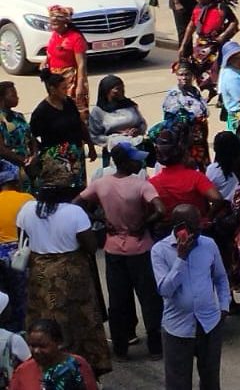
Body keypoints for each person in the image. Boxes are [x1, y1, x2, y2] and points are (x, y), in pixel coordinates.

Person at [74, 143, 162, 361]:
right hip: (141, 248)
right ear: (126, 162)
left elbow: (77, 203)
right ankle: (155, 347)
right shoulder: (141, 185)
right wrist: (145, 223)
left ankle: (121, 348)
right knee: (149, 299)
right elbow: (161, 209)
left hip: (114, 248)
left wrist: (99, 220)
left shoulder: (101, 184)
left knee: (118, 300)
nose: (139, 162)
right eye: (135, 159)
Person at [15, 187, 111, 377]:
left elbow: (23, 237)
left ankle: (43, 368)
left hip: (39, 272)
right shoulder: (74, 212)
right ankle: (81, 368)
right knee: (79, 319)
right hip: (71, 274)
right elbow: (91, 246)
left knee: (41, 315)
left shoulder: (27, 209)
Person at [152, 205, 229, 390]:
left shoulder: (208, 244)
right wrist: (181, 259)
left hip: (209, 323)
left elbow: (220, 277)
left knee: (211, 379)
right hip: (177, 327)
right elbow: (165, 290)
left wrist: (224, 306)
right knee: (178, 381)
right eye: (194, 228)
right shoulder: (159, 250)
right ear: (180, 228)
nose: (199, 231)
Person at [30, 74, 89, 192]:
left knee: (80, 188)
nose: (66, 91)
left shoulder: (69, 103)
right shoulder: (41, 112)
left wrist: (90, 145)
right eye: (63, 88)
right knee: (64, 189)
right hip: (57, 159)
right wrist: (42, 153)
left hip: (76, 154)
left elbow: (80, 124)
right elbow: (31, 135)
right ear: (53, 90)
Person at [180, 0, 240, 94]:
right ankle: (208, 89)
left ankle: (222, 94)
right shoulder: (197, 8)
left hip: (217, 45)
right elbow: (191, 25)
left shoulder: (221, 8)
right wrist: (184, 44)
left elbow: (234, 22)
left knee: (217, 70)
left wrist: (223, 36)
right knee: (199, 68)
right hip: (201, 45)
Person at [7, 319, 97, 390]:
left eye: (42, 346)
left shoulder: (77, 365)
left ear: (59, 343)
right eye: (32, 346)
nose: (36, 351)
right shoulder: (23, 371)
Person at [41, 6, 87, 125]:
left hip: (70, 80)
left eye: (58, 20)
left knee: (76, 112)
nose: (54, 22)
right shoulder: (54, 35)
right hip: (55, 79)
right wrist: (45, 61)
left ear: (66, 21)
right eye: (52, 20)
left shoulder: (76, 38)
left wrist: (80, 86)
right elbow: (51, 52)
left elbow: (81, 63)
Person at [0, 163, 31, 332]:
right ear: (16, 183)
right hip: (18, 254)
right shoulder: (27, 199)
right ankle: (21, 335)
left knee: (3, 299)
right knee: (21, 299)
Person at [87, 75, 146, 152]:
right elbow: (94, 136)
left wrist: (138, 130)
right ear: (107, 91)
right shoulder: (98, 111)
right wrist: (115, 139)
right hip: (114, 152)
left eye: (123, 88)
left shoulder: (130, 106)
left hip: (136, 147)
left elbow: (142, 123)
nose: (122, 91)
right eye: (117, 89)